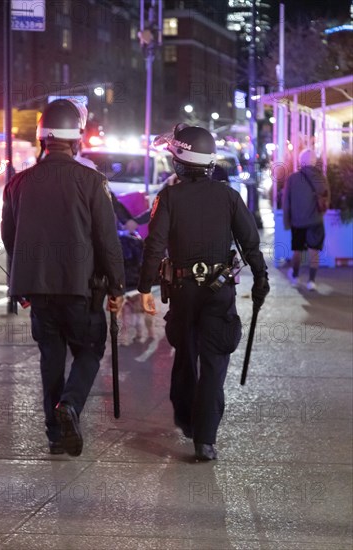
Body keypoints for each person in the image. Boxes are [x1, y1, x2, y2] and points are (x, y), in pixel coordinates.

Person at [137, 123, 270, 461]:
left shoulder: (168, 197)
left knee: (185, 354)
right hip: (218, 292)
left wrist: (144, 288)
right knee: (214, 362)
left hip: (182, 293)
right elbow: (250, 242)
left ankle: (187, 419)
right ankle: (205, 440)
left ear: (179, 161)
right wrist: (260, 278)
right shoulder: (228, 196)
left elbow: (153, 246)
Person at [1, 99, 125, 457]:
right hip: (80, 289)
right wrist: (117, 286)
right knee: (89, 349)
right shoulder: (92, 181)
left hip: (39, 291)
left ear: (42, 138)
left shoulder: (18, 184)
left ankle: (55, 434)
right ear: (76, 139)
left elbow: (12, 238)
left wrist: (24, 282)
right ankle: (70, 405)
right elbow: (107, 240)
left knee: (50, 358)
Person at [283, 148, 330, 291]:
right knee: (313, 251)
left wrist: (287, 221)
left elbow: (286, 202)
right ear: (315, 161)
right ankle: (311, 281)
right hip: (316, 221)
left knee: (297, 251)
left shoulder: (292, 178)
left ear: (301, 161)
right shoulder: (322, 178)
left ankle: (296, 278)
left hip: (297, 222)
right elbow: (327, 200)